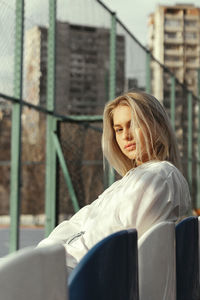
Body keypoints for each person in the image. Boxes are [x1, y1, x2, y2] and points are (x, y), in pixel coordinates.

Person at [38, 91, 191, 270]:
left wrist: (43, 262)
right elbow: (77, 225)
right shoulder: (129, 181)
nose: (125, 136)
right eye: (118, 129)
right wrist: (43, 255)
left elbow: (109, 241)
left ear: (158, 125)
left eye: (133, 124)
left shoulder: (158, 177)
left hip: (90, 278)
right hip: (77, 270)